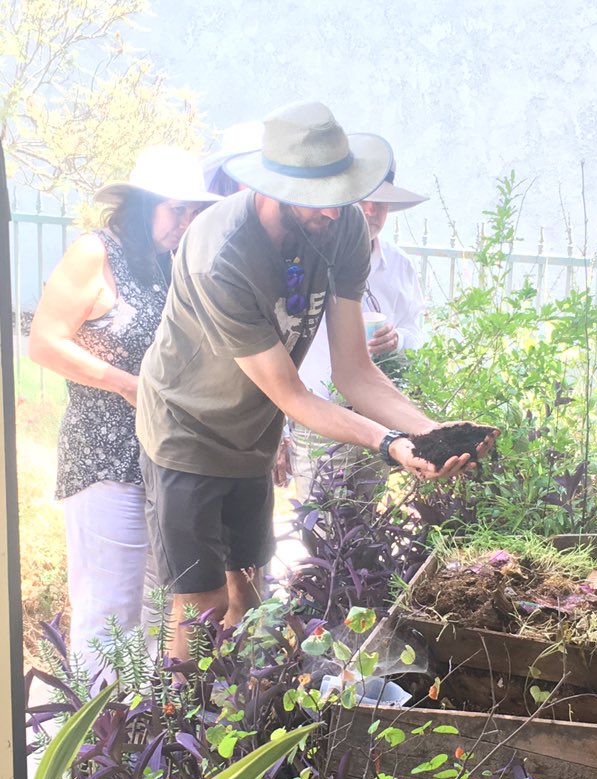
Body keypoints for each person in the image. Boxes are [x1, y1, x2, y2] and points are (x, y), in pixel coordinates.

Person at [135, 101, 496, 660]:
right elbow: (292, 393)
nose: (335, 213)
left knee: (249, 592)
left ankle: (233, 711)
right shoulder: (220, 254)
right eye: (318, 198)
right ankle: (181, 731)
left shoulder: (344, 226)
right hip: (187, 433)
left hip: (250, 438)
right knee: (201, 604)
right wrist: (388, 444)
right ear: (275, 185)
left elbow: (355, 371)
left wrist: (430, 431)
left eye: (341, 193)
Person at [28, 145, 220, 676]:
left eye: (192, 211)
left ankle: (144, 748)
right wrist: (127, 385)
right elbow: (43, 343)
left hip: (163, 459)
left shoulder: (167, 262)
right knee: (109, 614)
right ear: (140, 205)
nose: (185, 221)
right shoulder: (95, 252)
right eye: (175, 209)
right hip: (103, 458)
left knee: (164, 609)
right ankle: (92, 752)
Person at [290, 159, 428, 500]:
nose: (371, 210)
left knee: (367, 527)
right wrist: (280, 432)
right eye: (363, 199)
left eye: (381, 202)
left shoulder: (400, 266)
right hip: (316, 417)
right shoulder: (308, 258)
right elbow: (280, 348)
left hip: (377, 417)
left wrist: (396, 341)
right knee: (318, 530)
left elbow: (417, 334)